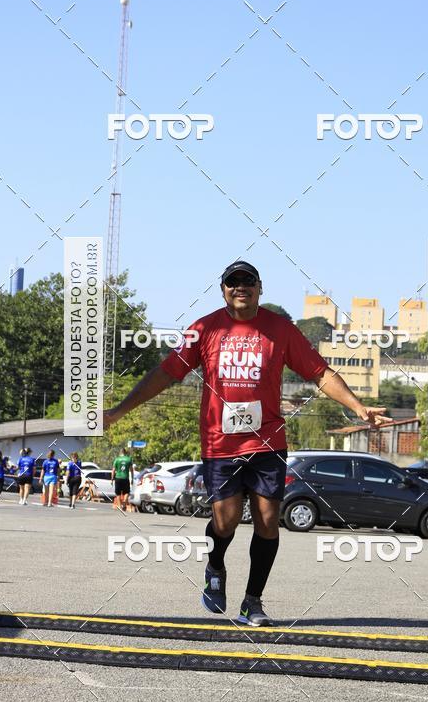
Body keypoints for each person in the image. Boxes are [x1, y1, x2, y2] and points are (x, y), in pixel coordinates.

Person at [105, 260, 390, 627]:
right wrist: (120, 410)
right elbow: (166, 373)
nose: (240, 287)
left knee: (268, 521)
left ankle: (252, 602)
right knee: (224, 523)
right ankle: (215, 565)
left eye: (248, 281)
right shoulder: (204, 329)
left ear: (260, 287)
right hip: (220, 444)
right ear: (223, 290)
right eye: (232, 282)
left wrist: (358, 407)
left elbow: (320, 372)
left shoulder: (280, 330)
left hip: (268, 442)